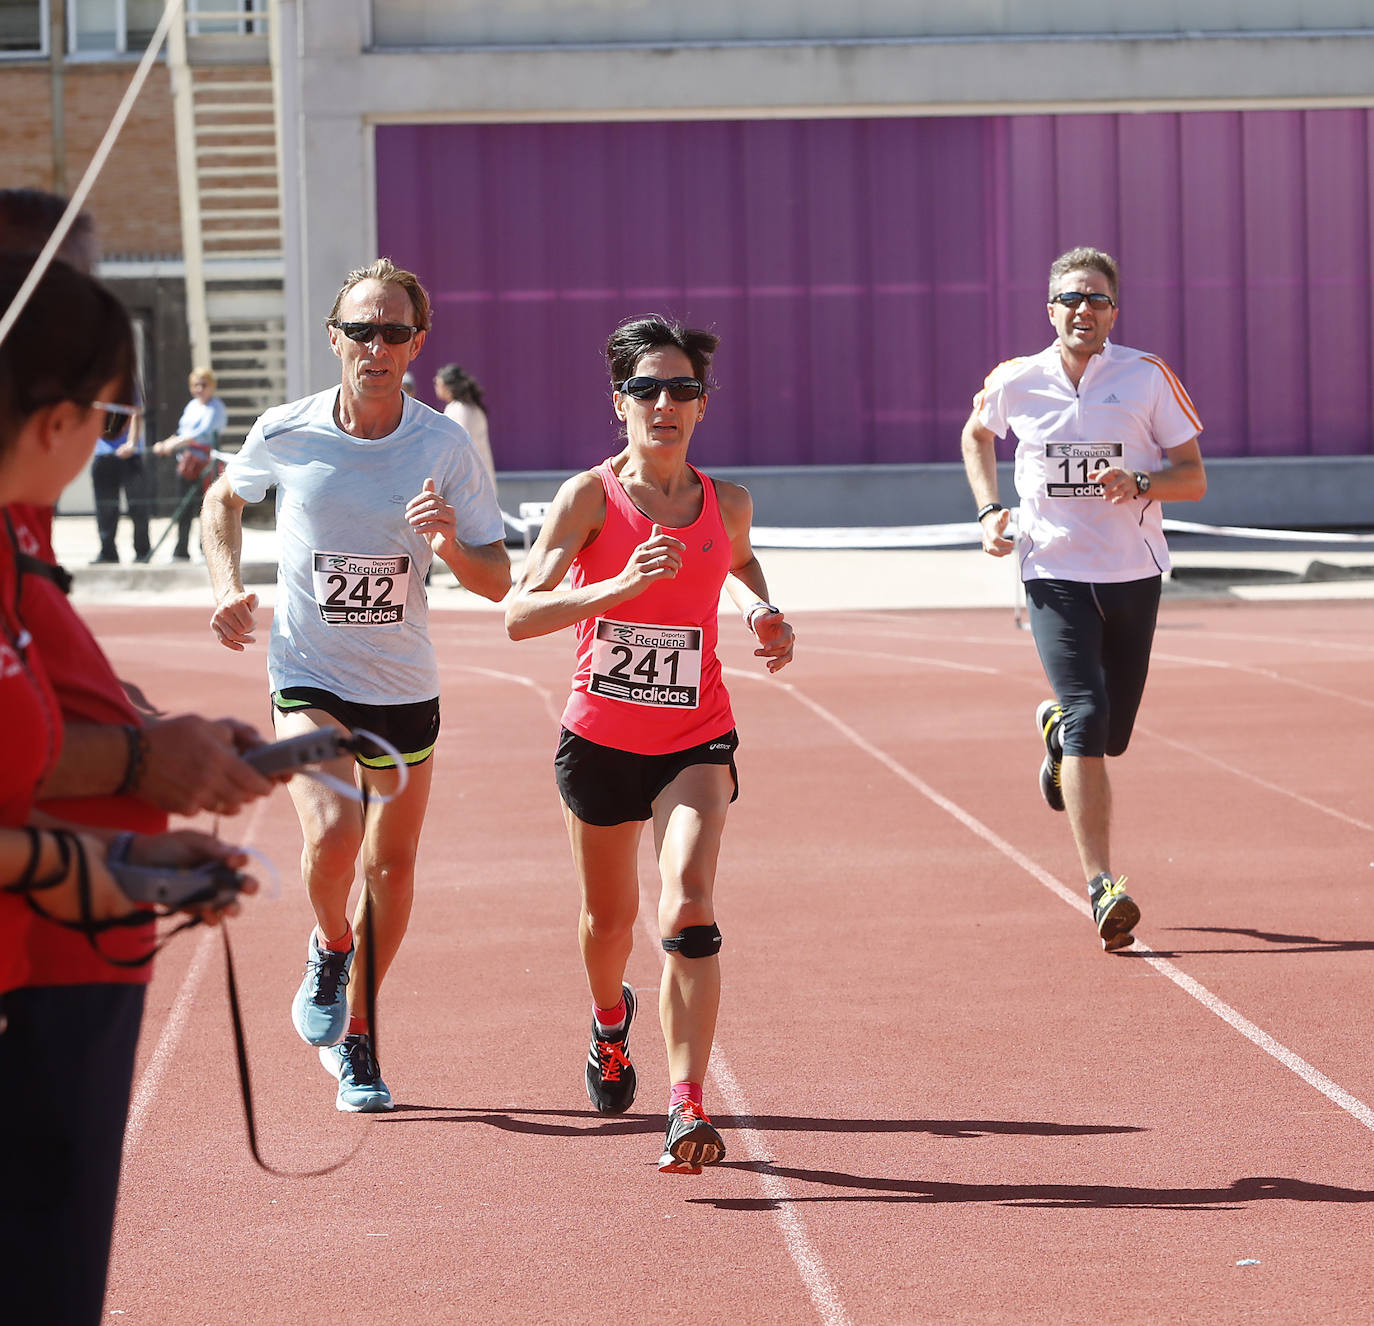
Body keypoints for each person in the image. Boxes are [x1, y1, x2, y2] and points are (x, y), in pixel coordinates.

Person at [0, 253, 260, 1326]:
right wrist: (95, 859)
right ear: (59, 418)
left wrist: (115, 858)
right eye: (111, 418)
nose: (110, 440)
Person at [202, 257, 510, 1112]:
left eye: (395, 331)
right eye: (363, 329)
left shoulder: (443, 444)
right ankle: (332, 945)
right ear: (334, 337)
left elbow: (496, 578)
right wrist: (227, 585)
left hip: (402, 682)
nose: (378, 345)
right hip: (308, 673)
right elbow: (222, 502)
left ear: (418, 344)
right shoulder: (286, 430)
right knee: (335, 836)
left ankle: (363, 1037)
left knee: (394, 866)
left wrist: (448, 541)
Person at [505, 315, 794, 1173]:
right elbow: (519, 614)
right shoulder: (589, 499)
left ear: (702, 407)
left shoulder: (727, 502)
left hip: (694, 739)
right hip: (598, 743)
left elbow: (736, 561)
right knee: (609, 922)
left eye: (681, 390)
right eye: (646, 389)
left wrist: (763, 612)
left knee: (689, 905)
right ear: (618, 404)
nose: (664, 404)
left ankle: (686, 1104)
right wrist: (617, 587)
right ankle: (608, 1024)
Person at [960, 245, 1206, 953]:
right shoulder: (1017, 381)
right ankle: (1103, 885)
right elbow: (977, 434)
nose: (1083, 309)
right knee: (1089, 716)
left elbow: (1192, 477)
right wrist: (987, 511)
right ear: (1050, 310)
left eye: (1096, 299)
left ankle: (1054, 736)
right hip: (1053, 571)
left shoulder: (1146, 376)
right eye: (1071, 298)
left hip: (1133, 572)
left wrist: (1143, 484)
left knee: (1112, 736)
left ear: (1113, 311)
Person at [153, 366, 227, 561]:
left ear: (212, 386)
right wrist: (168, 443)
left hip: (206, 465)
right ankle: (181, 550)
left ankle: (206, 550)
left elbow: (201, 434)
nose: (199, 389)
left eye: (203, 384)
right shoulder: (192, 406)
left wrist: (174, 443)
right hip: (187, 463)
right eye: (195, 385)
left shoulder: (217, 408)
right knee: (184, 509)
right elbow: (182, 431)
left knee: (207, 509)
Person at [89, 384, 150, 563]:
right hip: (103, 455)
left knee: (137, 506)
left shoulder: (128, 385)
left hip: (130, 456)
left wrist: (132, 443)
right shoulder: (94, 385)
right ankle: (108, 552)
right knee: (105, 508)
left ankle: (142, 552)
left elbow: (136, 414)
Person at [433, 362, 495, 486]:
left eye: (437, 383)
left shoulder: (458, 409)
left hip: (469, 482)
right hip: (479, 478)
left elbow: (460, 446)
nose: (435, 387)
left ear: (447, 386)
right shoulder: (472, 407)